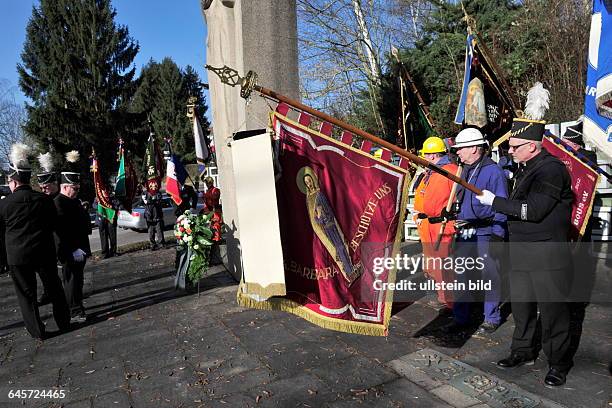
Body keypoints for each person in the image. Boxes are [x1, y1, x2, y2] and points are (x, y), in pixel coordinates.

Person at [475, 117, 573, 386]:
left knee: (553, 312)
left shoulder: (550, 170)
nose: (510, 151)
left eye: (514, 146)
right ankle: (522, 351)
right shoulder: (525, 167)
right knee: (522, 307)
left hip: (546, 252)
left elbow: (534, 210)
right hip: (521, 250)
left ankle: (558, 363)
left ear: (532, 146)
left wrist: (496, 202)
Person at [442, 128, 508, 334]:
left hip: (486, 230)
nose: (457, 153)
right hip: (465, 232)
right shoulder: (464, 170)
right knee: (462, 275)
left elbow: (502, 205)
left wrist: (498, 234)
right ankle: (461, 317)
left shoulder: (493, 171)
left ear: (474, 148)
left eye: (461, 149)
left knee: (490, 275)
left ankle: (492, 317)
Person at [0, 144, 70, 339]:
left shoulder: (4, 204)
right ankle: (64, 322)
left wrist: (2, 260)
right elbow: (54, 225)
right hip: (44, 251)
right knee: (54, 288)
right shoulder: (44, 200)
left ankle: (37, 331)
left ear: (13, 181)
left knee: (26, 294)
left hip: (17, 256)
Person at [412, 136, 459, 310]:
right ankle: (443, 298)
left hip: (443, 225)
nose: (422, 159)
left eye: (424, 155)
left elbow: (458, 198)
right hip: (428, 225)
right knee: (433, 265)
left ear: (431, 155)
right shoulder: (429, 173)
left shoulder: (451, 171)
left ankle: (451, 303)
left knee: (445, 266)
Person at [54, 151, 91, 323]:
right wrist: (72, 249)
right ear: (65, 187)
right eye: (74, 188)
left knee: (78, 282)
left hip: (80, 249)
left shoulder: (73, 201)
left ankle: (78, 306)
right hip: (69, 251)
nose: (77, 191)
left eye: (78, 188)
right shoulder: (59, 203)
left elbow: (81, 224)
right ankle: (75, 311)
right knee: (71, 282)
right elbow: (61, 231)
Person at [35, 152, 60, 306]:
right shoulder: (42, 200)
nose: (44, 189)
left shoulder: (60, 198)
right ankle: (48, 292)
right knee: (46, 273)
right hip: (46, 241)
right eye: (42, 187)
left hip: (61, 238)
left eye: (47, 186)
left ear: (54, 183)